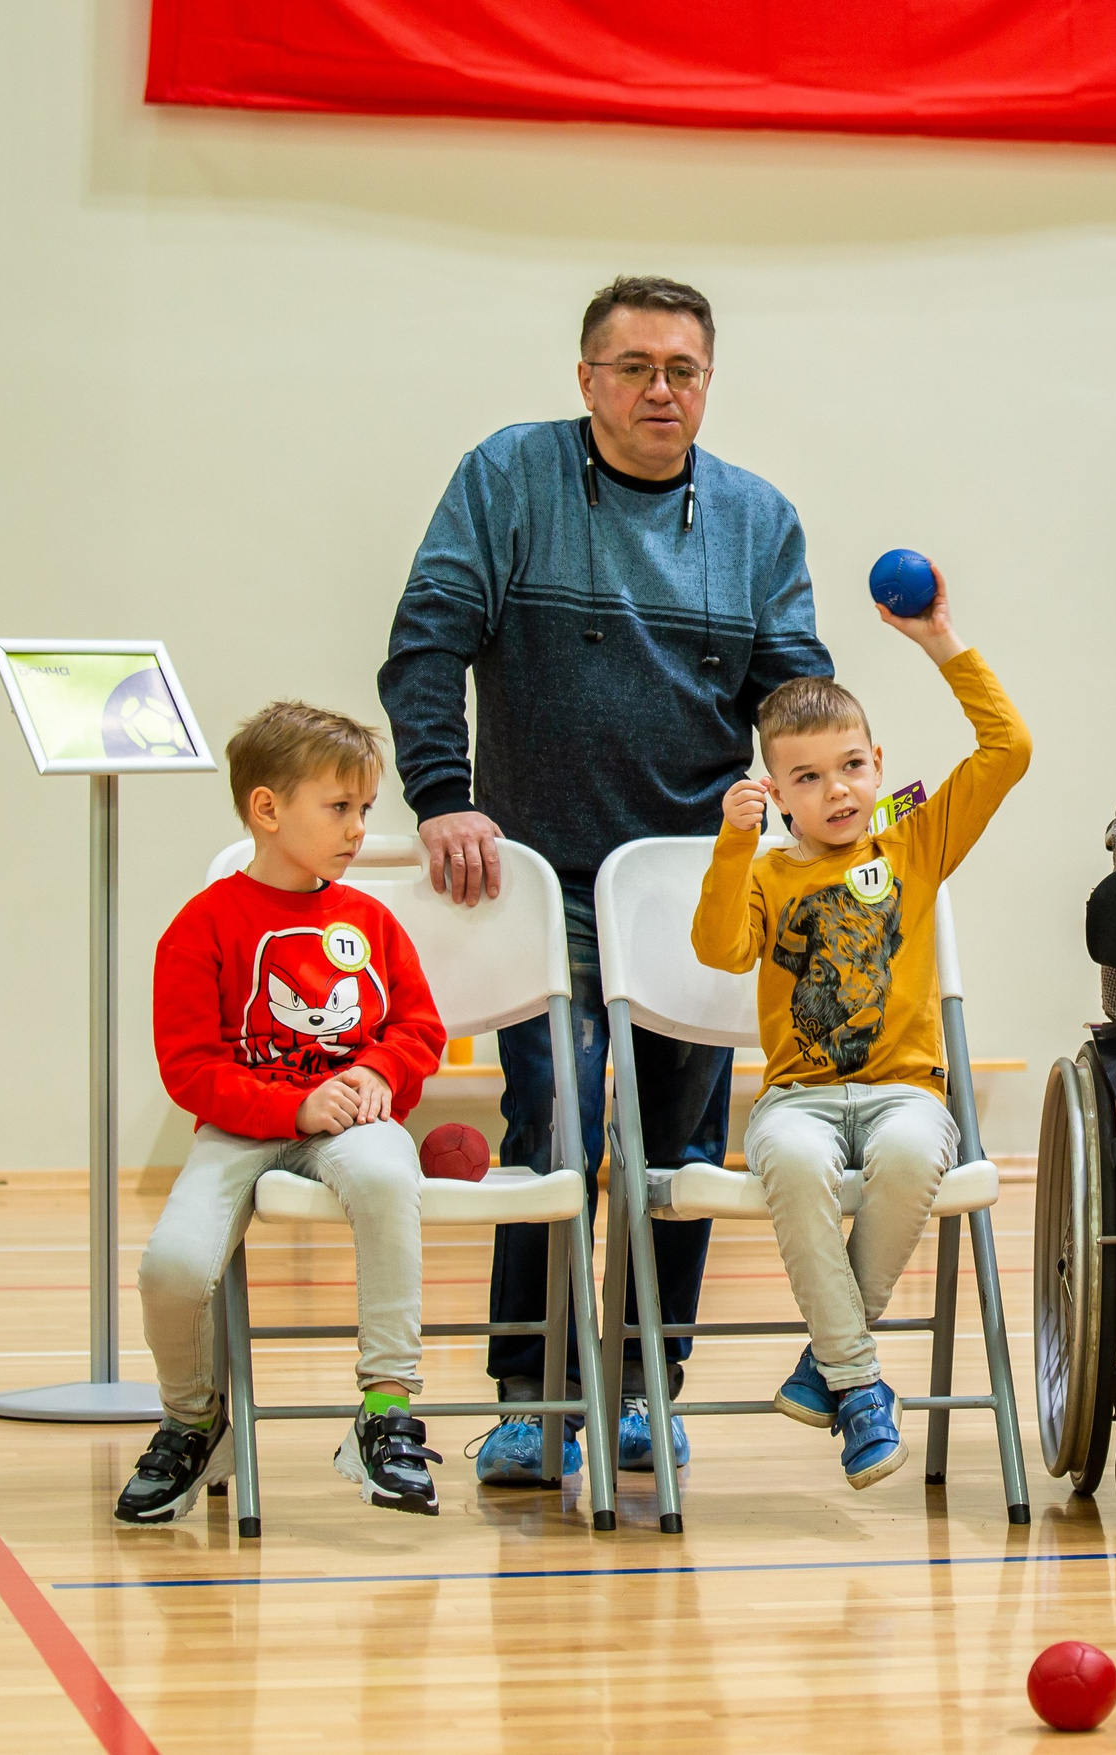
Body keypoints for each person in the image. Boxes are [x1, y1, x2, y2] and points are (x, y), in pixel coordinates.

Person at [379, 275, 831, 1487]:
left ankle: (640, 1391)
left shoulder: (755, 518)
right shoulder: (508, 479)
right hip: (540, 876)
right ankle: (530, 1400)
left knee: (676, 1145)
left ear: (707, 383)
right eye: (632, 368)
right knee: (556, 1121)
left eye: (682, 370)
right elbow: (425, 641)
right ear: (585, 380)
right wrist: (441, 793)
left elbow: (792, 690)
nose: (659, 391)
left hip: (692, 884)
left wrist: (822, 797)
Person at [690, 563, 1031, 1489]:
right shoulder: (765, 871)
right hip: (797, 1098)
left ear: (878, 763)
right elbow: (721, 951)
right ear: (778, 790)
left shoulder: (912, 838)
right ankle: (861, 1380)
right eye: (808, 776)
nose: (837, 790)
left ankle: (828, 1367)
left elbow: (1009, 748)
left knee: (919, 1155)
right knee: (793, 1163)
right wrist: (733, 842)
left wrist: (939, 643)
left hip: (904, 1094)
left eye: (852, 766)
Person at [120, 703, 448, 1525]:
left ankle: (384, 1410)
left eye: (365, 810)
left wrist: (377, 1068)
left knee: (385, 1180)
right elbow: (190, 1068)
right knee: (171, 1265)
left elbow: (418, 1028)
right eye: (339, 808)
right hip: (241, 1126)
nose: (359, 829)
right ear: (268, 810)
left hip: (351, 1124)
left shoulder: (370, 920)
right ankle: (196, 1422)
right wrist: (291, 1103)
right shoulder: (201, 926)